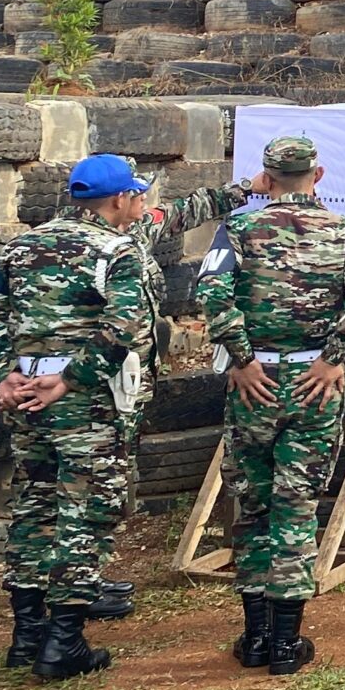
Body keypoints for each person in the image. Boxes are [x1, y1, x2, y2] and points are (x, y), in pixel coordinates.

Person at [195, 135, 345, 677]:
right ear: (318, 174)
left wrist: (239, 357)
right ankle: (286, 643)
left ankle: (255, 636)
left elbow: (211, 293)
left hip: (252, 379)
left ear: (266, 176)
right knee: (296, 505)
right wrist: (336, 355)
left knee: (254, 503)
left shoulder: (237, 228)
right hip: (313, 381)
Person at [0, 154, 156, 681]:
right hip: (82, 399)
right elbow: (124, 323)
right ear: (119, 199)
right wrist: (72, 380)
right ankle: (63, 642)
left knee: (34, 504)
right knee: (85, 512)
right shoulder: (116, 250)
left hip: (25, 391)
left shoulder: (20, 246)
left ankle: (26, 634)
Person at [92, 171, 255, 622]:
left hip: (120, 388)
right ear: (118, 199)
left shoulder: (135, 229)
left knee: (102, 485)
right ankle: (70, 594)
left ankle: (78, 582)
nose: (146, 200)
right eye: (137, 193)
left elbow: (184, 212)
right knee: (86, 489)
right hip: (91, 387)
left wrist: (245, 188)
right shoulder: (80, 245)